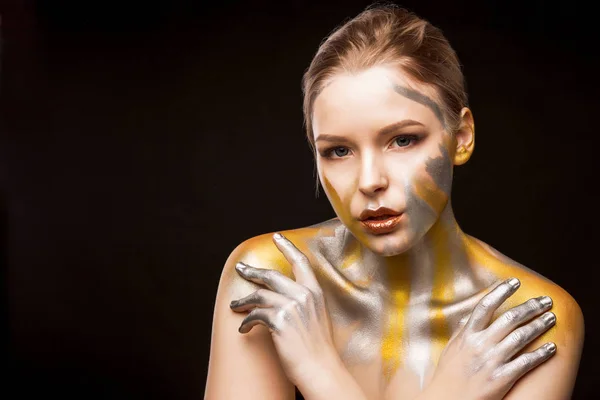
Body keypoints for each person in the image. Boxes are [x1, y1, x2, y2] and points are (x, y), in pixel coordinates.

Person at [205, 5, 584, 399]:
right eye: (338, 151)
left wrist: (318, 371)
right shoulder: (274, 281)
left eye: (403, 140)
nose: (370, 181)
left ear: (462, 137)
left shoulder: (529, 319)